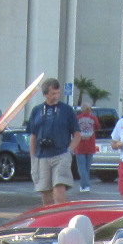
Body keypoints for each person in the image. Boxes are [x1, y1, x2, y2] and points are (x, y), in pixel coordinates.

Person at [27, 78, 77, 206]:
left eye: (58, 93)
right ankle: (50, 221)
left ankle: (62, 219)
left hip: (61, 154)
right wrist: (33, 157)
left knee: (59, 190)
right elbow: (33, 136)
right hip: (42, 156)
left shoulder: (66, 110)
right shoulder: (37, 110)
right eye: (53, 93)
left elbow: (77, 134)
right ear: (45, 94)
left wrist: (69, 152)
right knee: (46, 196)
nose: (56, 96)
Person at [73, 98, 99, 193]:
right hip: (90, 145)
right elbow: (98, 127)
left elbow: (74, 130)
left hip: (80, 146)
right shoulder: (93, 118)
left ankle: (84, 184)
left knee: (82, 167)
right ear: (89, 109)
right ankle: (85, 184)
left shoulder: (77, 119)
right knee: (87, 167)